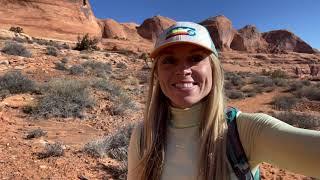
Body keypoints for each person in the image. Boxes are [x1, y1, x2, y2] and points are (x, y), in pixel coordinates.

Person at [127, 22, 320, 180]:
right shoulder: (145, 135)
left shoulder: (245, 132)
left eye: (195, 58)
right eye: (169, 60)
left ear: (213, 69)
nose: (183, 70)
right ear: (157, 74)